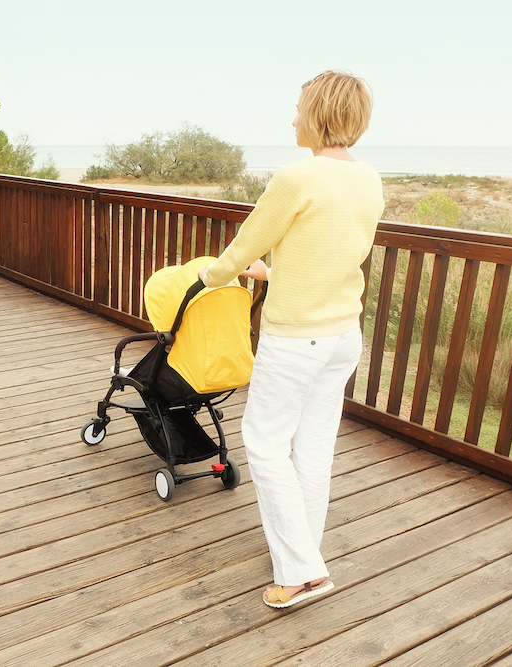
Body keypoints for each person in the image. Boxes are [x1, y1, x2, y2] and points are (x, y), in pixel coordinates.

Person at [198, 70, 384, 608]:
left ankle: (303, 572)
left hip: (296, 339)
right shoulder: (369, 180)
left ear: (319, 114)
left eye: (300, 108)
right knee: (314, 448)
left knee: (264, 442)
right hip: (342, 336)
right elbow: (331, 260)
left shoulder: (296, 178)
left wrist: (210, 277)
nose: (293, 117)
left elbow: (243, 244)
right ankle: (302, 551)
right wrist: (270, 275)